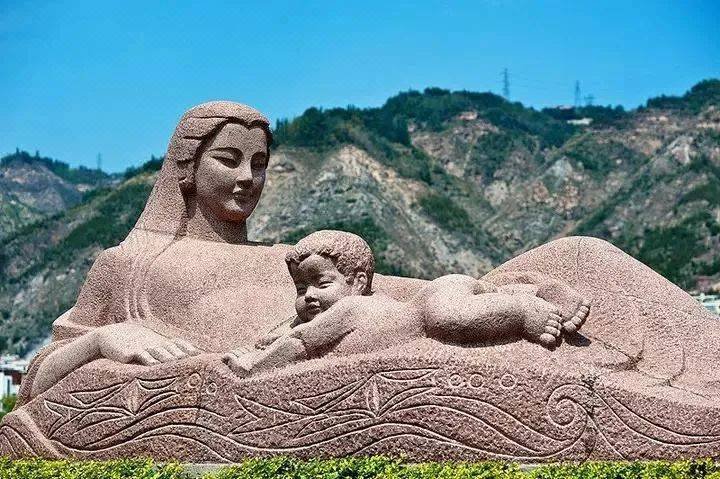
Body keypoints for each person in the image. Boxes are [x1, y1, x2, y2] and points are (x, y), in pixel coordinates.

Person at [223, 230, 589, 376]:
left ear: (357, 283)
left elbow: (299, 343)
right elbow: (291, 330)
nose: (309, 296)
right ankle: (527, 292)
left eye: (321, 283)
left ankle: (524, 309)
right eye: (301, 288)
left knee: (450, 318)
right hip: (444, 293)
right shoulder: (339, 310)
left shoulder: (350, 309)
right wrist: (265, 341)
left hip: (436, 300)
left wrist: (253, 367)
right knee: (456, 312)